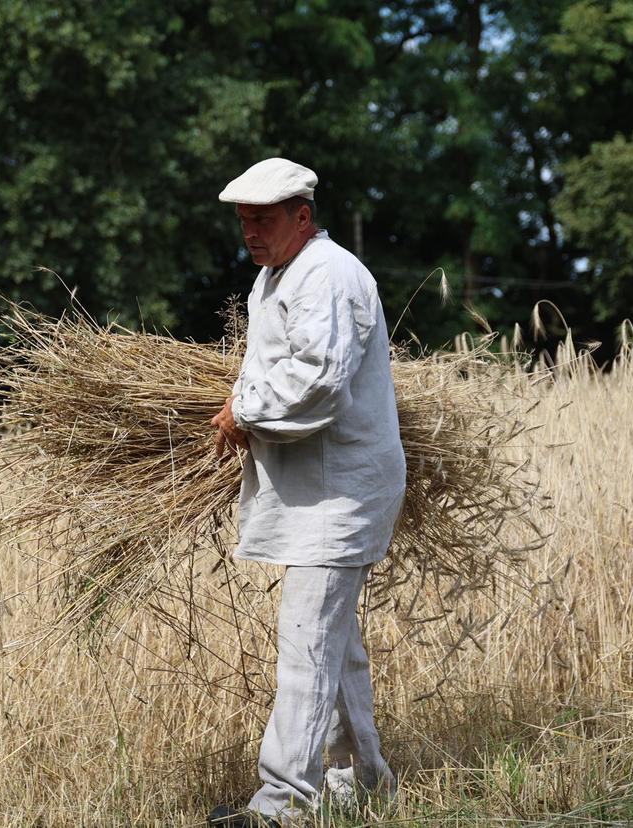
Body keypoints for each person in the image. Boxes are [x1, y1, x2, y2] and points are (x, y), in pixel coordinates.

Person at [208, 157, 406, 827]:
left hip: (340, 492)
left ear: (302, 215)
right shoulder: (278, 277)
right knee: (334, 645)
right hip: (318, 489)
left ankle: (282, 805)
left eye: (262, 220)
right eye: (243, 222)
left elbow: (318, 381)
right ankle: (367, 783)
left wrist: (244, 410)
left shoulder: (327, 274)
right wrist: (248, 407)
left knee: (306, 643)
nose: (250, 233)